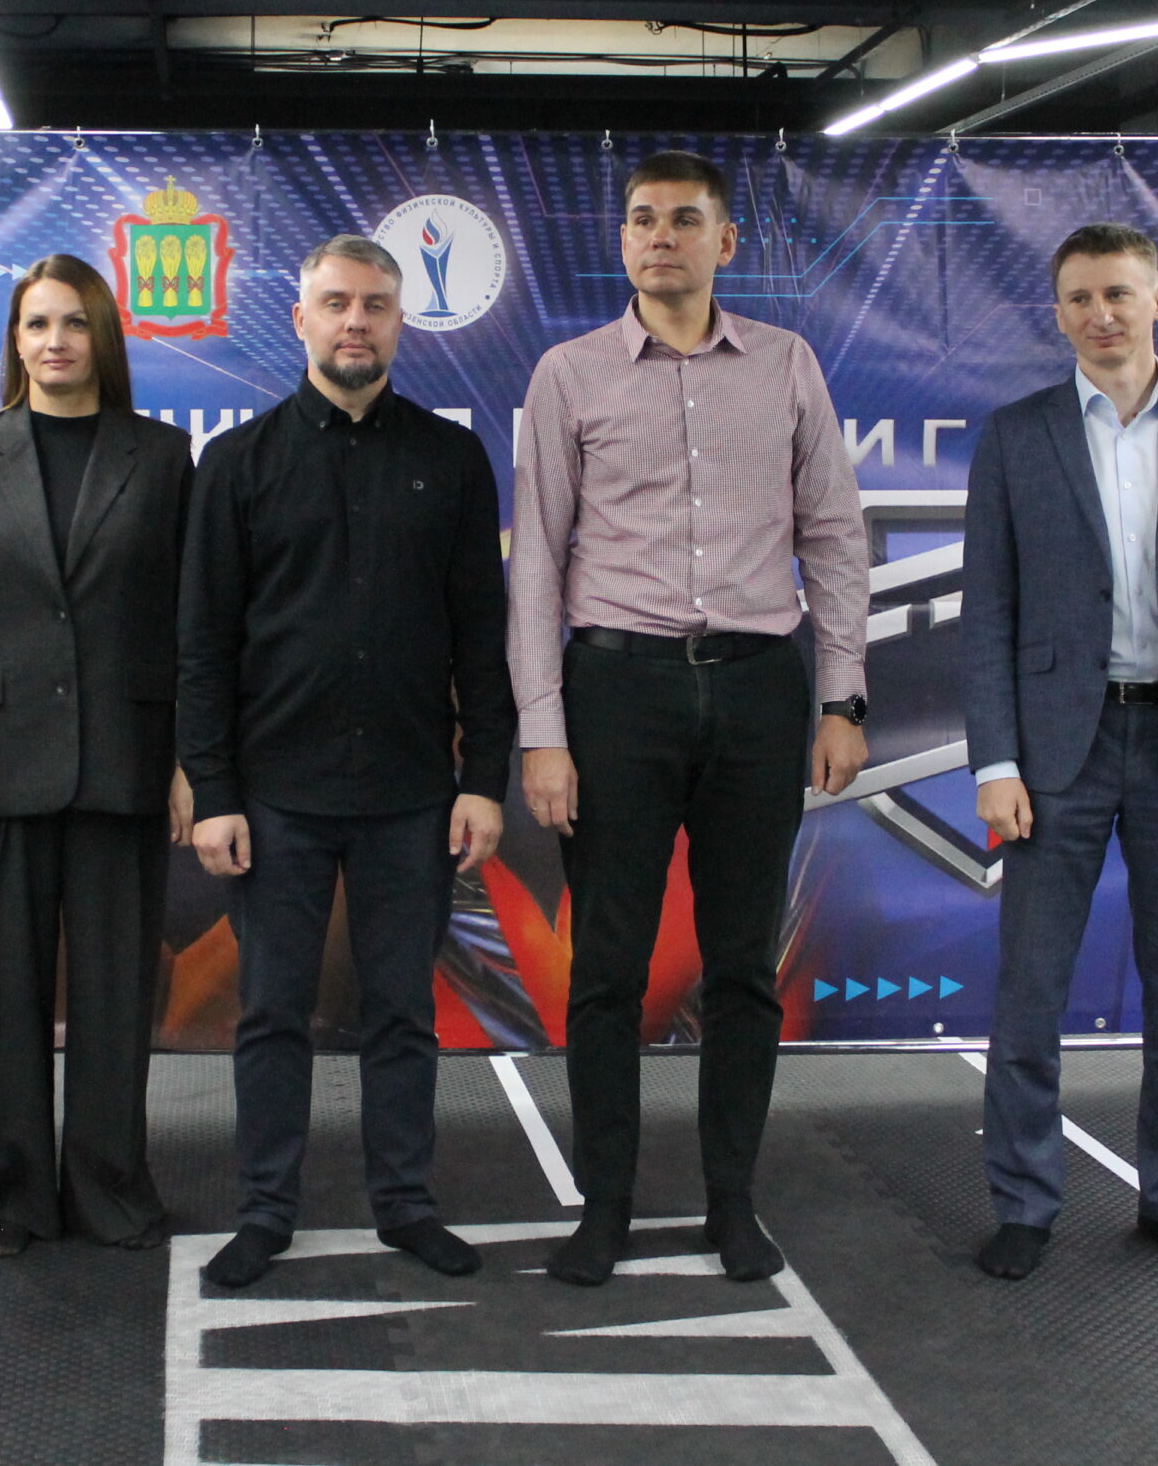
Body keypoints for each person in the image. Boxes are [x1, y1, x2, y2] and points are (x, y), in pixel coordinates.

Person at [510, 150, 870, 1289]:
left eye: (683, 219)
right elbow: (537, 563)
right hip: (616, 693)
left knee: (743, 969)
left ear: (726, 242)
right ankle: (605, 1208)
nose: (660, 236)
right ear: (622, 241)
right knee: (607, 970)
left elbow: (834, 535)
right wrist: (542, 730)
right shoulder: (568, 374)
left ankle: (732, 1203)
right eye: (641, 219)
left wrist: (842, 697)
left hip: (760, 690)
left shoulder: (787, 364)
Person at [179, 234, 514, 1290]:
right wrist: (214, 791)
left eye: (374, 304)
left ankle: (404, 1203)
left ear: (400, 321)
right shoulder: (236, 464)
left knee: (402, 1011)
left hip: (412, 794)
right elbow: (202, 645)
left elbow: (482, 636)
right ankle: (265, 1210)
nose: (355, 322)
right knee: (272, 1012)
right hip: (275, 795)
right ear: (300, 319)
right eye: (335, 303)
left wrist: (484, 779)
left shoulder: (451, 460)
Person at [961, 222, 1158, 1282]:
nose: (1101, 314)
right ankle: (1023, 1200)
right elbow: (987, 612)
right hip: (1059, 749)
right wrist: (994, 764)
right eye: (1081, 297)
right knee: (1030, 989)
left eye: (1118, 293)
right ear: (1058, 313)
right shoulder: (1017, 435)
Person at [0, 254, 195, 1258]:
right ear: (15, 341)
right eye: (37, 323)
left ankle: (110, 1187)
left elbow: (189, 622)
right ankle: (7, 1194)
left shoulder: (162, 458)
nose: (56, 341)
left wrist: (188, 760)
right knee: (3, 997)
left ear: (102, 336)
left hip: (126, 758)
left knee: (117, 998)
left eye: (74, 322)